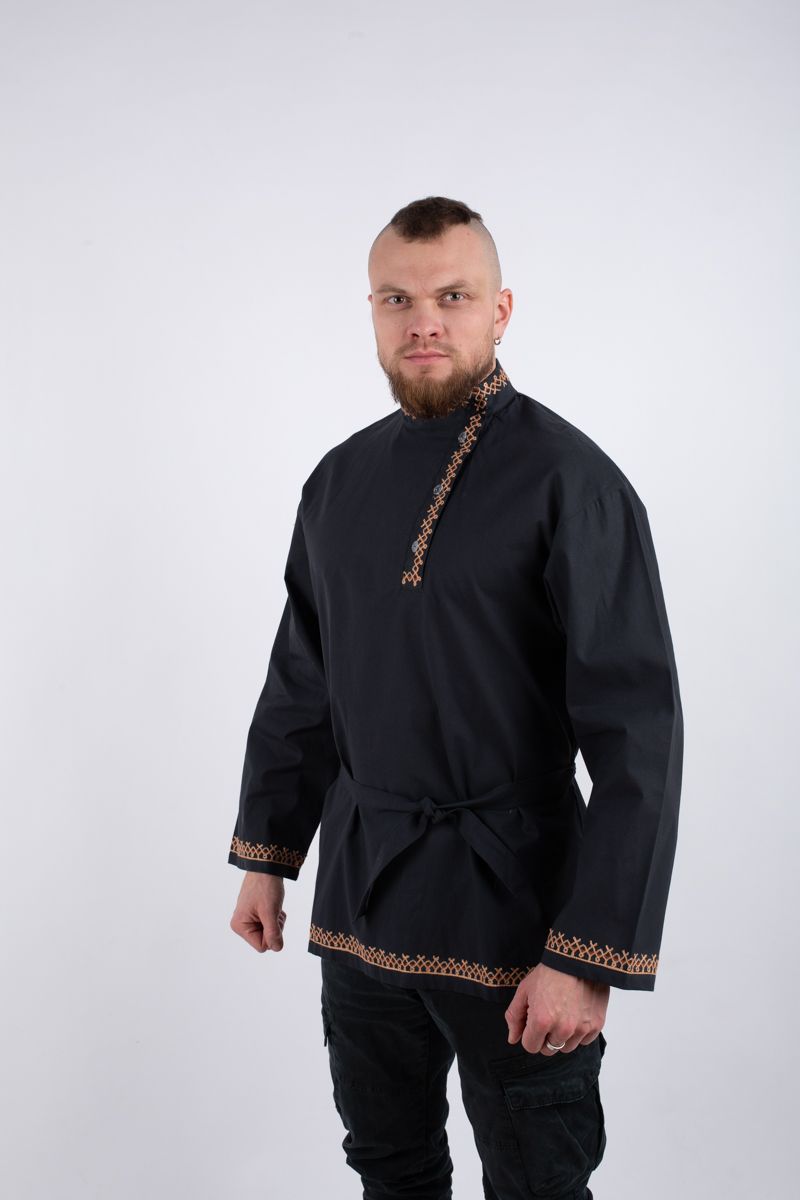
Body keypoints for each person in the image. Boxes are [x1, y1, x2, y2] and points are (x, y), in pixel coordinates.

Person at [227, 196, 684, 1199]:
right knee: (389, 1168)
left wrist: (587, 956)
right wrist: (267, 854)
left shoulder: (572, 480)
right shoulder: (338, 480)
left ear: (500, 309)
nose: (422, 321)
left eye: (452, 296)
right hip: (361, 897)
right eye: (397, 299)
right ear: (372, 311)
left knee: (535, 1182)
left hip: (514, 913)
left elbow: (637, 737)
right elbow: (303, 678)